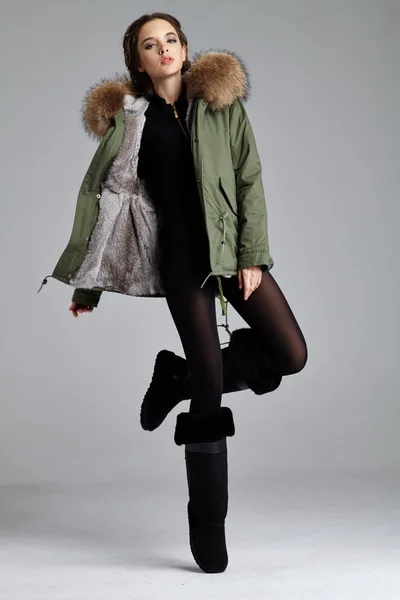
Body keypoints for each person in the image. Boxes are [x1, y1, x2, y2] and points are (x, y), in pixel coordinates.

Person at [38, 12, 308, 574]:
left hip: (230, 250)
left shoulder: (221, 104)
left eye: (171, 40)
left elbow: (249, 177)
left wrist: (252, 254)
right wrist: (87, 287)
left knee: (290, 354)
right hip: (181, 259)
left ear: (185, 49)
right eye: (150, 44)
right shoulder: (130, 121)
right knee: (210, 386)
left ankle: (175, 378)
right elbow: (104, 204)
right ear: (137, 61)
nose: (163, 49)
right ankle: (207, 523)